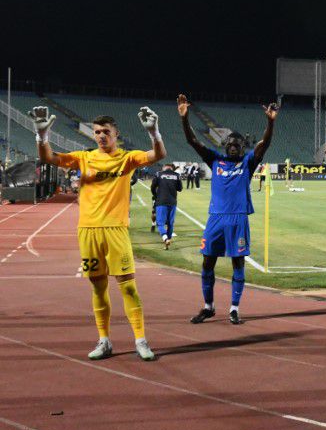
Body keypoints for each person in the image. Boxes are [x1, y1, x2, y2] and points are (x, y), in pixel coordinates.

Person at [31, 106, 165, 361]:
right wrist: (41, 137)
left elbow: (157, 154)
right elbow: (49, 158)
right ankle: (104, 341)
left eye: (106, 132)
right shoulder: (83, 157)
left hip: (116, 231)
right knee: (98, 287)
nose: (101, 136)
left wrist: (154, 133)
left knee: (128, 287)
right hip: (88, 230)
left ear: (116, 134)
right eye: (97, 132)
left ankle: (140, 340)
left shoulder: (127, 158)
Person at [178, 94, 277, 325]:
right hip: (216, 218)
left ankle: (234, 308)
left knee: (237, 263)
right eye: (230, 144)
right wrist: (184, 118)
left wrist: (271, 122)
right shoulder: (214, 160)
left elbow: (265, 144)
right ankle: (208, 306)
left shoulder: (248, 163)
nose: (233, 146)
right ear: (225, 146)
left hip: (238, 219)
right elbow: (193, 141)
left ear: (243, 146)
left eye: (237, 144)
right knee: (207, 262)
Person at [150, 163, 183, 249]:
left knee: (160, 223)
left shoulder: (158, 174)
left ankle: (165, 239)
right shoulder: (177, 175)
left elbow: (153, 187)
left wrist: (156, 195)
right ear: (172, 168)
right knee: (170, 223)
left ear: (164, 168)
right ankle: (168, 241)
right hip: (172, 202)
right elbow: (180, 189)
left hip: (161, 202)